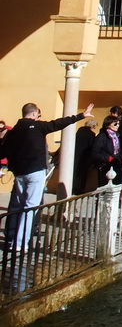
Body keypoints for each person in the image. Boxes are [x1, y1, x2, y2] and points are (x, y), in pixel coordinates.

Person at [1, 102, 93, 251]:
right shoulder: (38, 127)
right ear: (32, 114)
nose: (38, 116)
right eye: (37, 113)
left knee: (18, 206)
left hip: (19, 174)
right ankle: (21, 243)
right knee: (30, 207)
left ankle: (12, 240)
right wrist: (81, 116)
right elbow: (58, 124)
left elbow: (4, 152)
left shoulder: (14, 131)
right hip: (35, 172)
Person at [92, 114, 122, 184]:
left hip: (116, 164)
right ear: (108, 124)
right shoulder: (102, 136)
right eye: (115, 124)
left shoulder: (117, 136)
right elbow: (95, 152)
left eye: (118, 124)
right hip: (105, 166)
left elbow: (118, 150)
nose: (118, 125)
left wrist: (121, 158)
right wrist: (107, 158)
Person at [72, 118, 98, 195]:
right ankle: (79, 189)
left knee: (75, 172)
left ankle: (73, 188)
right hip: (84, 156)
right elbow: (91, 146)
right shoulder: (91, 134)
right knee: (82, 174)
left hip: (75, 154)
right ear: (93, 126)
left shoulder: (79, 131)